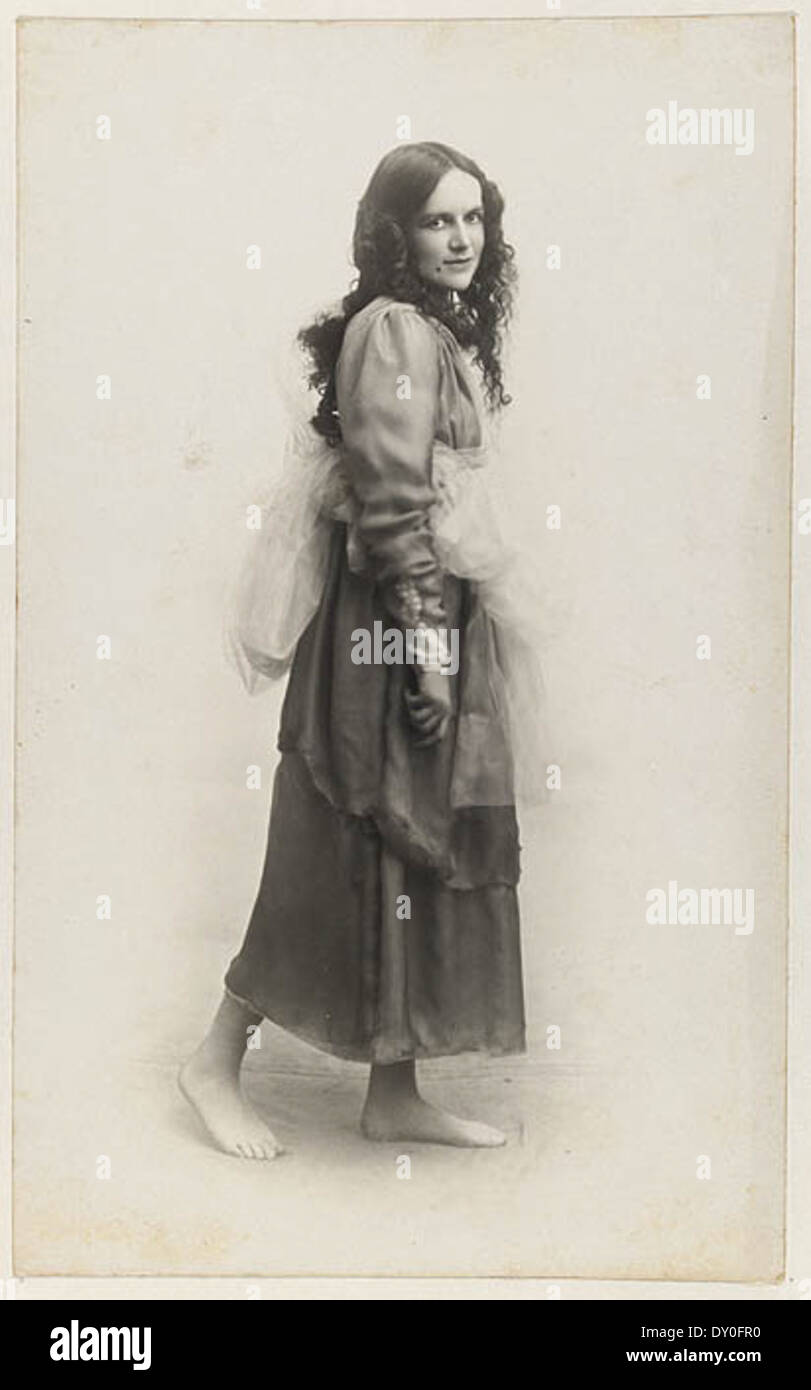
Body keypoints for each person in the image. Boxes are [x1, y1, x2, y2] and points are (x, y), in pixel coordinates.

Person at [181, 140, 536, 1158]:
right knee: (339, 840)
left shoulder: (433, 328)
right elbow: (388, 507)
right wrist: (424, 650)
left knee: (411, 846)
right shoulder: (392, 332)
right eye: (437, 220)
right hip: (388, 629)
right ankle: (212, 1058)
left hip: (426, 617)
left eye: (473, 218)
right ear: (395, 231)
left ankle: (395, 1089)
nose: (461, 238)